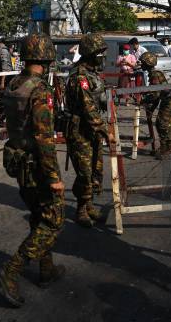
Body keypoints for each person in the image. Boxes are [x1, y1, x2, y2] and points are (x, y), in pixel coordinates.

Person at [0, 34, 65, 308]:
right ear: (47, 57)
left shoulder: (14, 83)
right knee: (53, 220)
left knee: (38, 215)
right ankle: (10, 270)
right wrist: (54, 178)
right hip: (37, 165)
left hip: (19, 162)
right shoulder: (39, 90)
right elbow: (44, 138)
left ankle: (46, 269)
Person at [65, 33, 111, 228]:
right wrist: (104, 130)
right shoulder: (80, 76)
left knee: (95, 169)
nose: (103, 55)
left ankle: (89, 204)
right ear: (91, 53)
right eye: (100, 52)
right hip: (80, 130)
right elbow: (87, 107)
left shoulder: (93, 74)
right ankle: (81, 209)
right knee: (84, 171)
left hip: (93, 129)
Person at [139, 52, 171, 159]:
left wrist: (145, 102)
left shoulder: (155, 74)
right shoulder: (155, 73)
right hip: (168, 99)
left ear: (148, 63)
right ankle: (168, 148)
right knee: (164, 123)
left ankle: (166, 149)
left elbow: (155, 94)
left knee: (163, 124)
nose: (141, 64)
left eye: (143, 62)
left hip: (170, 100)